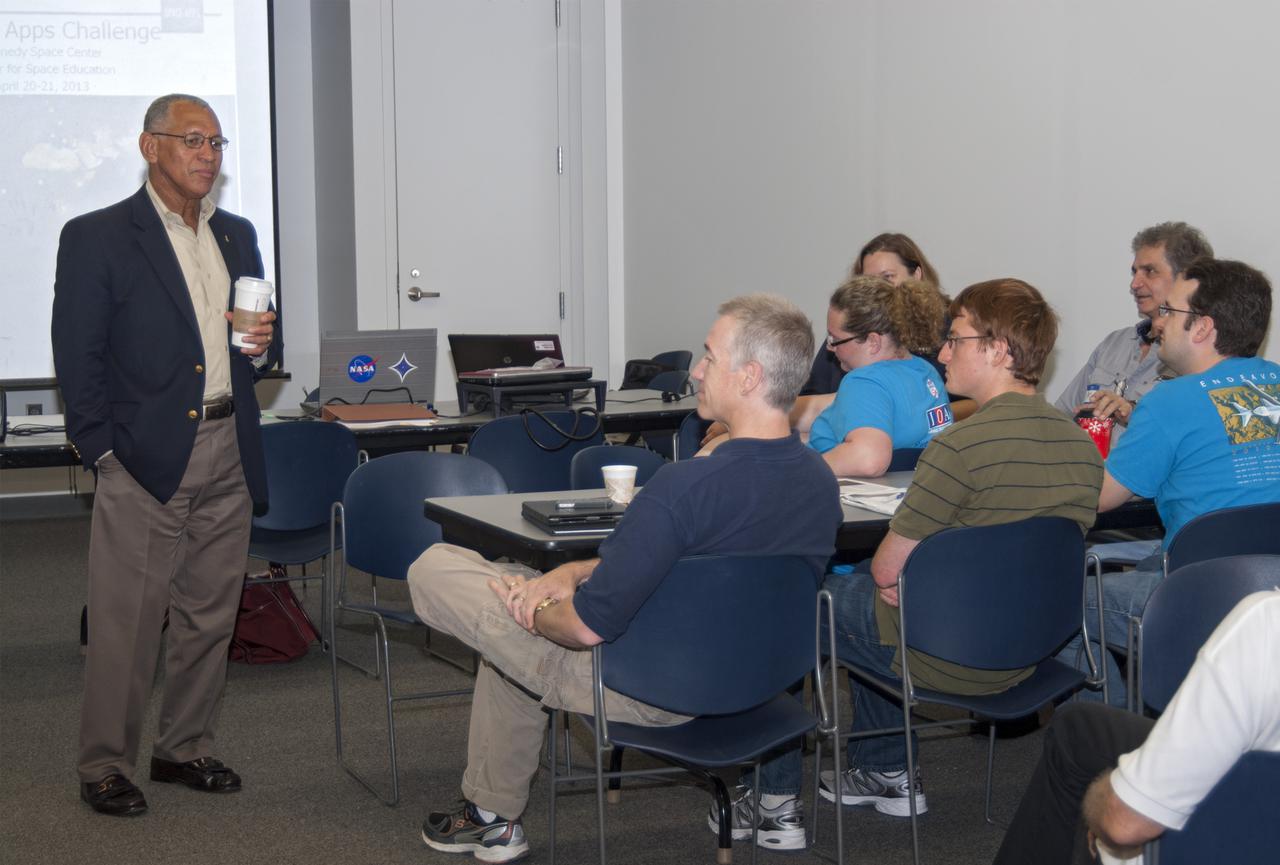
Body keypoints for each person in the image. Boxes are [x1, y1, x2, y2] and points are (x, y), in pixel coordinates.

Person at [406, 294, 843, 862]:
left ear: (750, 376)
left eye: (710, 357)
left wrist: (531, 607)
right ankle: (492, 816)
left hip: (646, 687)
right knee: (513, 599)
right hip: (756, 680)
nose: (696, 370)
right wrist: (571, 571)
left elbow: (586, 629)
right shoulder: (817, 482)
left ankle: (492, 817)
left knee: (438, 568)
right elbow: (693, 563)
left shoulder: (682, 486)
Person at [732, 279, 1103, 850]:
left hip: (949, 654)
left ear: (999, 351)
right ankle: (883, 767)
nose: (943, 352)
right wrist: (932, 582)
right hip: (1033, 651)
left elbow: (885, 572)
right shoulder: (1079, 444)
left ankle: (772, 802)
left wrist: (923, 583)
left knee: (788, 602)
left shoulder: (960, 447)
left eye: (956, 339)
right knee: (870, 610)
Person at [51, 93, 278, 817]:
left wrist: (265, 340)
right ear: (150, 147)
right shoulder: (99, 236)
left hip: (229, 444)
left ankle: (184, 746)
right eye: (191, 139)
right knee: (127, 620)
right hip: (144, 456)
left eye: (216, 141)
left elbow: (259, 342)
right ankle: (105, 764)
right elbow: (76, 354)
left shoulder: (238, 234)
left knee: (210, 613)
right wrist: (101, 451)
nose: (207, 154)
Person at [1061, 258, 1280, 706]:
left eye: (1170, 312)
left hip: (1203, 594)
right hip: (1270, 591)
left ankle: (1114, 749)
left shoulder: (1170, 401)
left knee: (1058, 599)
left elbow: (1100, 497)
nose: (1157, 323)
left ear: (1202, 327)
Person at [994, 590, 1280, 865]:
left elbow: (1123, 827)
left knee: (1071, 599)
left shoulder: (1265, 622)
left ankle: (1126, 787)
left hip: (1238, 837)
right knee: (1078, 730)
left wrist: (1106, 800)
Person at [1053, 222, 1213, 442]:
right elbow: (1061, 416)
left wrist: (1133, 412)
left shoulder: (1200, 353)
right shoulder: (1114, 343)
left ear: (1186, 280)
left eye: (1150, 271)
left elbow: (1195, 431)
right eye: (1134, 272)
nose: (1135, 284)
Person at [798, 276, 953, 477]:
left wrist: (799, 472)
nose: (829, 348)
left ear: (873, 342)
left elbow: (868, 459)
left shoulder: (864, 381)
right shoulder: (924, 371)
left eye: (835, 339)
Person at [802, 233, 944, 396]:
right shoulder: (844, 333)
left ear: (916, 275)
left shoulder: (946, 330)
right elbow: (810, 395)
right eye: (868, 279)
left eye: (888, 277)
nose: (878, 286)